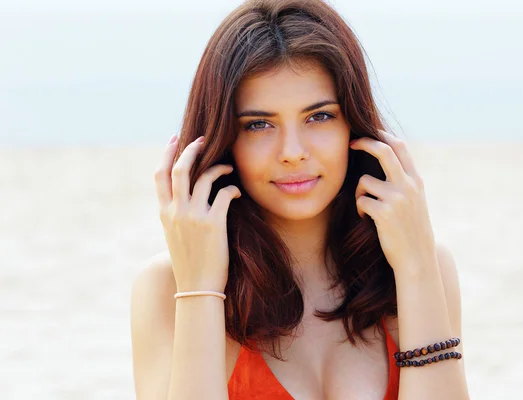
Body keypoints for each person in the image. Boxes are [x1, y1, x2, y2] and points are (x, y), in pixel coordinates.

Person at [130, 0, 470, 399]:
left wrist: (416, 268)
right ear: (224, 139)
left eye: (319, 116)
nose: (293, 151)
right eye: (259, 124)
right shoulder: (168, 287)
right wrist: (202, 289)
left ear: (353, 124)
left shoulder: (423, 268)